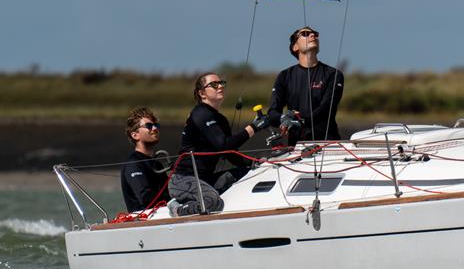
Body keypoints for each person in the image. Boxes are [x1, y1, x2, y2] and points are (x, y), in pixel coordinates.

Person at [168, 72, 268, 216]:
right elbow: (223, 145)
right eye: (214, 85)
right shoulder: (200, 113)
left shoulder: (220, 119)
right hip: (183, 180)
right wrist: (253, 127)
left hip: (206, 179)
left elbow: (229, 153)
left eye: (222, 83)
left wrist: (255, 163)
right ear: (202, 93)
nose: (220, 86)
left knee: (248, 174)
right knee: (213, 202)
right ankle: (177, 209)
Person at [268, 26, 344, 146]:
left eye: (315, 34)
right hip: (297, 147)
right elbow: (272, 113)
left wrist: (300, 120)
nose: (313, 35)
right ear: (295, 47)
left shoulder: (333, 74)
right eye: (305, 34)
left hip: (328, 145)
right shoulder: (284, 76)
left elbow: (327, 108)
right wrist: (284, 118)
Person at [120, 107, 170, 212]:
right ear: (135, 135)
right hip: (144, 218)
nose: (155, 128)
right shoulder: (133, 164)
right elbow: (146, 198)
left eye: (156, 125)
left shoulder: (157, 165)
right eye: (149, 126)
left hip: (163, 213)